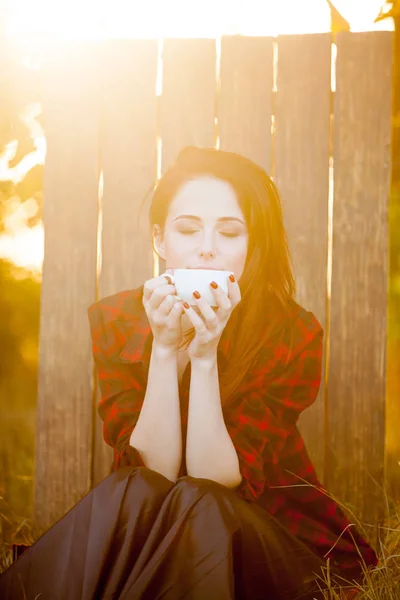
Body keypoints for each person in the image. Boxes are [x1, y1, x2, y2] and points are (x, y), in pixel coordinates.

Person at [0, 146, 378, 599]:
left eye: (230, 232)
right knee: (134, 485)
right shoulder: (120, 319)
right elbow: (153, 473)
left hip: (267, 542)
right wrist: (163, 347)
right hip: (157, 534)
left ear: (251, 245)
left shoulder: (291, 333)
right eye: (187, 229)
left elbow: (213, 481)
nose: (206, 248)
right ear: (160, 240)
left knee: (199, 501)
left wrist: (204, 358)